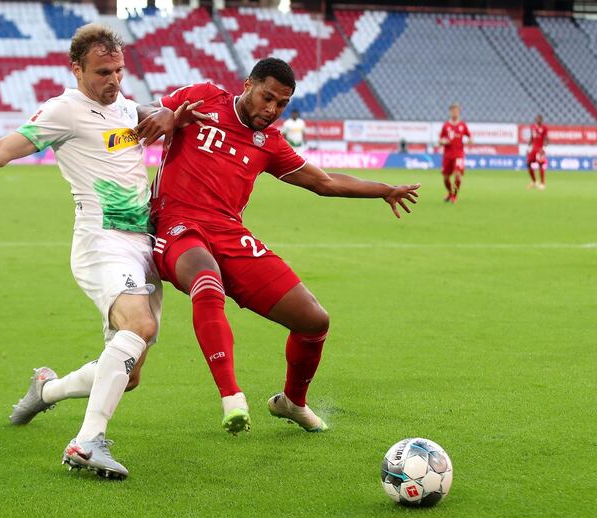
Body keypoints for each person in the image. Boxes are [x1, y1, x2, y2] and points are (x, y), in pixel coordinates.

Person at [0, 24, 192, 480]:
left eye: (119, 70)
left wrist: (167, 112)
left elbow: (148, 113)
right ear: (76, 69)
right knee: (138, 327)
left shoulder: (124, 105)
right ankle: (86, 443)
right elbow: (0, 151)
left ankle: (45, 391)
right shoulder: (64, 111)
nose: (114, 80)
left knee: (129, 370)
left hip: (143, 244)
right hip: (101, 239)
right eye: (103, 72)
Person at [149, 58, 420, 434]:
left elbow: (324, 182)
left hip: (229, 233)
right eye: (267, 97)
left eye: (281, 104)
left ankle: (293, 402)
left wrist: (385, 190)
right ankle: (232, 397)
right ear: (247, 85)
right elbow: (147, 114)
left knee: (313, 320)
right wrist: (164, 115)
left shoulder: (270, 143)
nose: (272, 110)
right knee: (206, 280)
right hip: (176, 224)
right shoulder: (205, 98)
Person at [438, 103, 472, 204]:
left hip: (459, 155)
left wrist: (469, 141)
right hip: (447, 155)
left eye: (456, 111)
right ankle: (450, 193)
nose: (455, 113)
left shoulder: (462, 125)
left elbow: (470, 137)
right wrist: (443, 141)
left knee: (458, 175)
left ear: (459, 112)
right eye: (453, 111)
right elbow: (440, 140)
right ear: (450, 112)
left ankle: (454, 196)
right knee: (445, 178)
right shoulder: (446, 126)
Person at [526, 114, 549, 190]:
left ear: (541, 120)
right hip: (533, 149)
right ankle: (534, 182)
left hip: (540, 149)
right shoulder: (532, 127)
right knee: (528, 164)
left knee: (541, 165)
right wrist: (528, 147)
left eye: (539, 119)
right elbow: (531, 137)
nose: (537, 120)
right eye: (536, 119)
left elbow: (546, 139)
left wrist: (544, 148)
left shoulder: (544, 128)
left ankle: (542, 184)